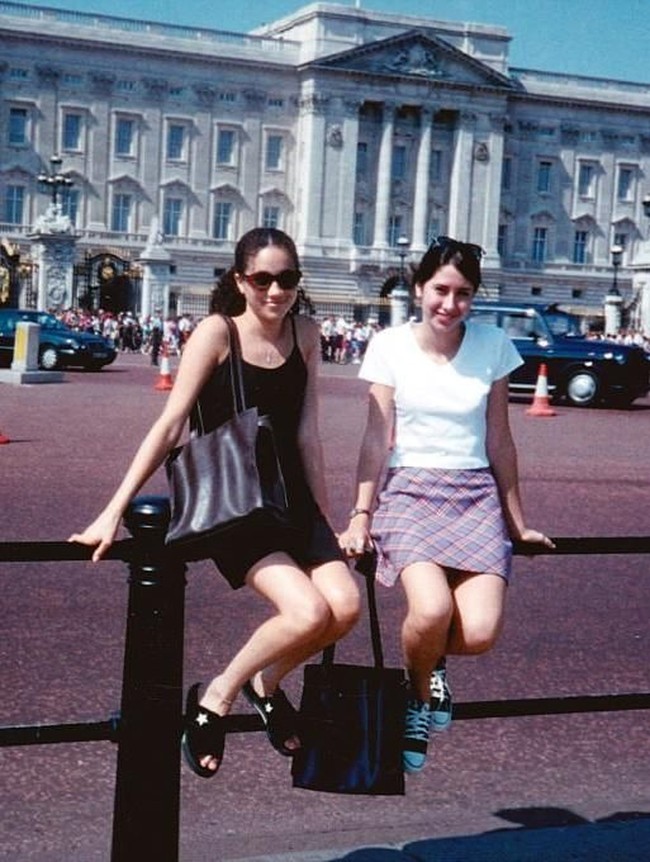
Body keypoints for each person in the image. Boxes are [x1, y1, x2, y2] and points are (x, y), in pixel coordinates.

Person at [69, 227, 360, 779]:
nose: (276, 291)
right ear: (240, 280)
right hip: (237, 503)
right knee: (308, 612)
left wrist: (326, 517)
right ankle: (216, 699)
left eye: (287, 279)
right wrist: (112, 510)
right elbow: (170, 425)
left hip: (293, 498)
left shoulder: (306, 332)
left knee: (344, 608)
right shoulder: (216, 332)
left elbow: (308, 434)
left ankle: (265, 684)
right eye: (263, 279)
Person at [338, 235, 554, 774]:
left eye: (463, 294)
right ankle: (417, 697)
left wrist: (518, 523)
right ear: (418, 288)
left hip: (475, 494)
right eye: (440, 290)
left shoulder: (493, 344)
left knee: (479, 634)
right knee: (431, 609)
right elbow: (376, 438)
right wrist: (361, 515)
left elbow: (500, 439)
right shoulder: (389, 345)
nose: (449, 304)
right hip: (410, 492)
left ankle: (429, 660)